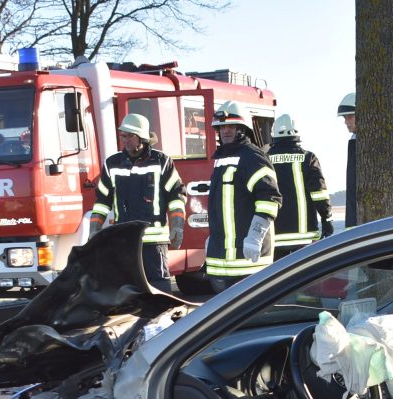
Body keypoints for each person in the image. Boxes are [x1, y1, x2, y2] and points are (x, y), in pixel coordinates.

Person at [88, 112, 186, 293]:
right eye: (122, 135)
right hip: (125, 241)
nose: (124, 140)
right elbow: (102, 201)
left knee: (159, 289)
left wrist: (177, 226)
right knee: (129, 291)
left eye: (128, 135)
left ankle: (162, 321)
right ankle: (137, 322)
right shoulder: (112, 163)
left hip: (154, 241)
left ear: (141, 136)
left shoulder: (162, 161)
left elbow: (176, 197)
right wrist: (94, 230)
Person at [204, 101, 282, 293]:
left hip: (247, 258)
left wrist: (255, 236)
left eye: (231, 126)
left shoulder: (252, 157)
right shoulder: (221, 159)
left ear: (243, 129)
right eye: (221, 127)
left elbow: (269, 198)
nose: (225, 131)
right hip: (221, 260)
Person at [267, 114, 333, 257]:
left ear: (274, 135)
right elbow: (319, 192)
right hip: (305, 237)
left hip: (274, 236)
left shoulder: (264, 159)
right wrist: (326, 219)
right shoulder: (308, 158)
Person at [337, 92, 358, 227]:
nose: (346, 122)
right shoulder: (354, 140)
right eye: (345, 118)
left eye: (349, 116)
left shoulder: (362, 142)